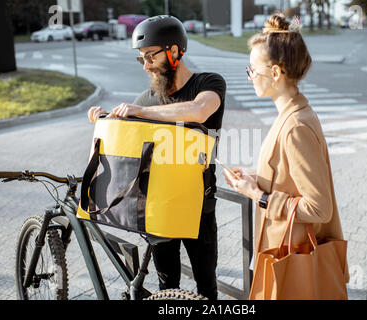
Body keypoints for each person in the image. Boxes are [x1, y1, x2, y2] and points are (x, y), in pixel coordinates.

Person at [87, 15, 225, 300]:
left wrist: (142, 113)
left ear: (175, 52)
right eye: (142, 59)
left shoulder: (207, 83)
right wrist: (103, 121)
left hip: (199, 204)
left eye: (151, 56)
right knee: (167, 286)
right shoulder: (147, 97)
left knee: (206, 286)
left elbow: (200, 111)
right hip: (158, 205)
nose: (146, 65)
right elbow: (128, 138)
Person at [223, 14, 349, 298]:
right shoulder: (293, 114)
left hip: (292, 254)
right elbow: (291, 177)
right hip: (285, 245)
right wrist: (256, 179)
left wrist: (259, 196)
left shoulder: (296, 125)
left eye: (253, 69)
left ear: (276, 73)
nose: (250, 76)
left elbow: (319, 208)